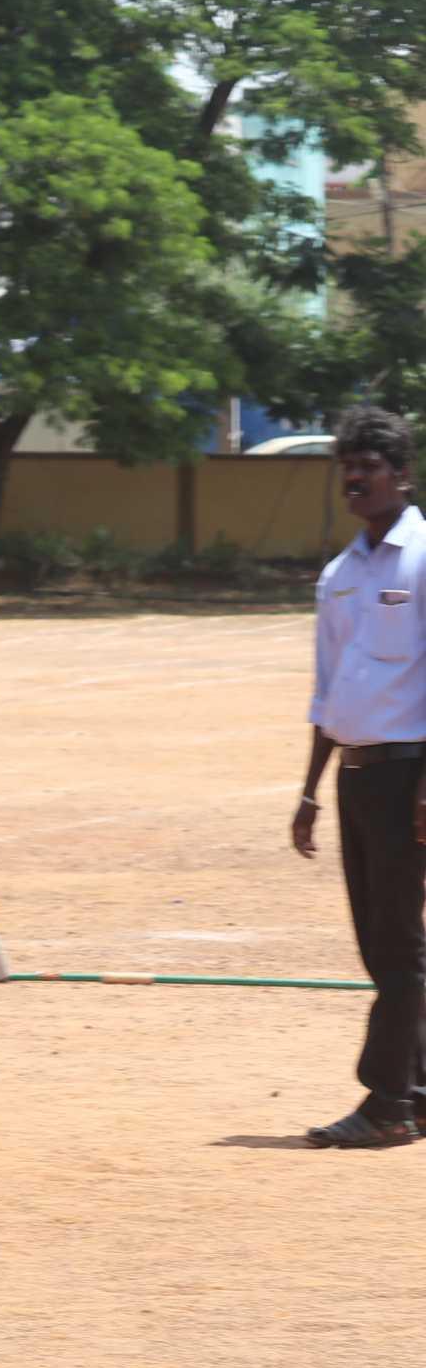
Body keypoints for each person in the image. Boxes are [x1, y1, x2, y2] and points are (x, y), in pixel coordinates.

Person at [292, 405, 426, 1148]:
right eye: (346, 465)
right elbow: (328, 689)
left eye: (368, 466)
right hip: (355, 774)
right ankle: (419, 1090)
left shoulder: (424, 557)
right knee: (381, 945)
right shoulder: (339, 574)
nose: (353, 477)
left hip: (410, 774)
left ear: (400, 475)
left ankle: (387, 1105)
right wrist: (310, 790)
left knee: (400, 945)